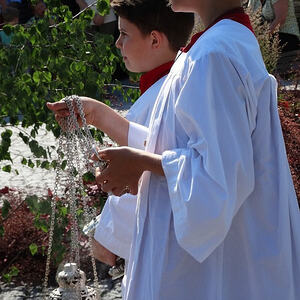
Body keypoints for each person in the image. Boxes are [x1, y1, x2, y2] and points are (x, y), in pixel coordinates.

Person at [48, 0, 300, 299]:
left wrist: (141, 162)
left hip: (206, 274)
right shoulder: (222, 42)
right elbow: (184, 146)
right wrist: (102, 117)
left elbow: (219, 177)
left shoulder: (214, 54)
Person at [47, 0, 194, 281]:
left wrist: (108, 239)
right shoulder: (168, 86)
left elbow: (152, 170)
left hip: (164, 254)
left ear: (154, 39)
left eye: (124, 34)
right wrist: (97, 114)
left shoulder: (169, 93)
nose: (117, 44)